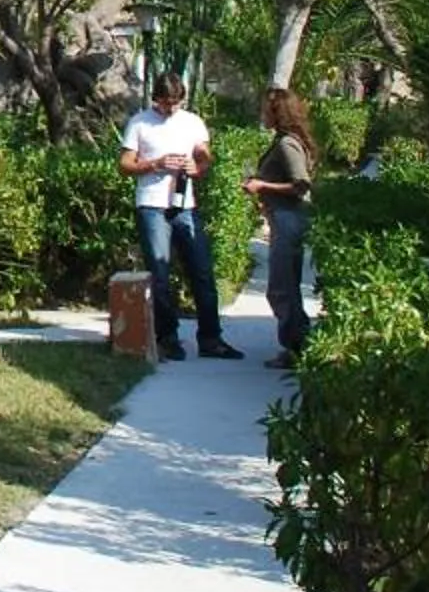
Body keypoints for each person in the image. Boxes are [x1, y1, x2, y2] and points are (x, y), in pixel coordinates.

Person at [119, 71, 240, 361]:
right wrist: (154, 164)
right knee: (160, 274)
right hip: (152, 205)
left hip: (185, 205)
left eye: (175, 102)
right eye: (164, 103)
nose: (170, 108)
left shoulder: (192, 122)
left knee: (202, 271)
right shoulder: (140, 122)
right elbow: (124, 164)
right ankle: (168, 337)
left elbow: (204, 154)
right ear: (155, 99)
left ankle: (211, 338)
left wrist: (198, 166)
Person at [241, 86, 316, 369]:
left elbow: (301, 184)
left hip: (289, 218)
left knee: (281, 288)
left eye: (265, 109)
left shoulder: (286, 144)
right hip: (284, 217)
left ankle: (297, 347)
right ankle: (297, 344)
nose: (262, 114)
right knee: (285, 285)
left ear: (277, 113)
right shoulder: (285, 140)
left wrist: (262, 185)